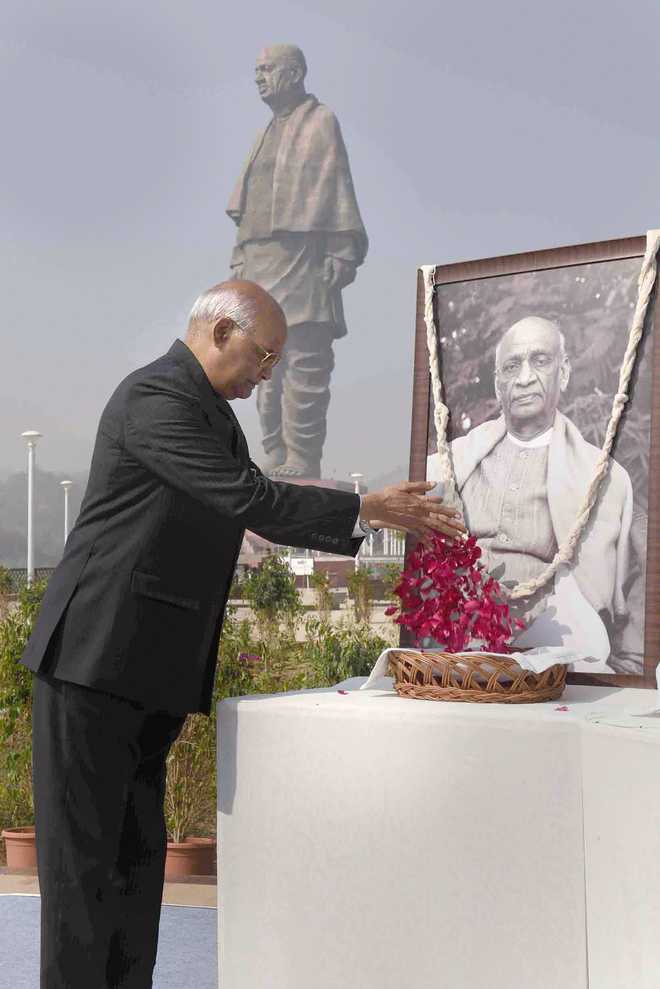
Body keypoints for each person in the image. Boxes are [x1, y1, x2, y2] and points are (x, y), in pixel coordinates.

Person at [21, 279, 465, 989]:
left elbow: (247, 491)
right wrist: (365, 508)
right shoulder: (155, 399)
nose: (268, 373)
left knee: (135, 874)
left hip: (141, 678)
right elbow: (247, 498)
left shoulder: (209, 415)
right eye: (264, 354)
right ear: (220, 330)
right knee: (82, 883)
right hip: (89, 669)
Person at [427, 315, 644, 672]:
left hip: (559, 632)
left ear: (564, 372)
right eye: (512, 366)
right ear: (498, 386)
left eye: (540, 361)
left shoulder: (604, 478)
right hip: (463, 631)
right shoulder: (452, 463)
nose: (525, 378)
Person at [227, 44, 368, 479]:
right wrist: (238, 262)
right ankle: (274, 452)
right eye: (256, 70)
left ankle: (303, 458)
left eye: (266, 69)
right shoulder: (264, 132)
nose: (258, 77)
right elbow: (246, 210)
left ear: (295, 73)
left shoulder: (320, 121)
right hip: (258, 265)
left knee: (305, 360)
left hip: (302, 259)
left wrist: (342, 250)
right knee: (261, 363)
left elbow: (337, 185)